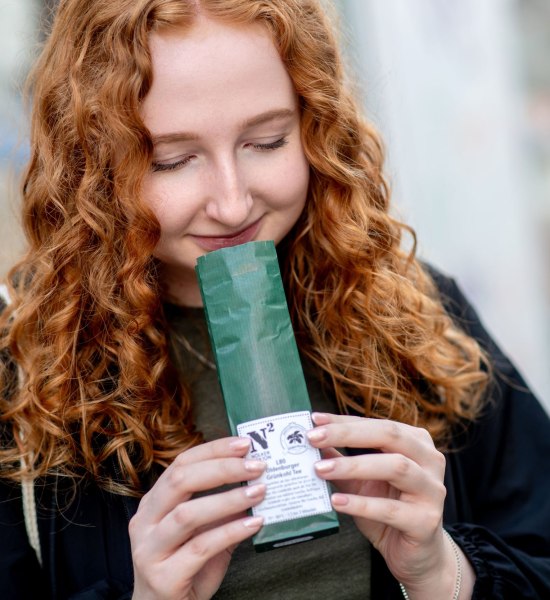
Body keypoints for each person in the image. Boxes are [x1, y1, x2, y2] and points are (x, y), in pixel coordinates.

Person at [1, 0, 549, 598]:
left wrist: (444, 573)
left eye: (266, 141)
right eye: (172, 160)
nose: (233, 204)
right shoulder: (20, 375)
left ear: (316, 129)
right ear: (93, 163)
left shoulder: (418, 309)